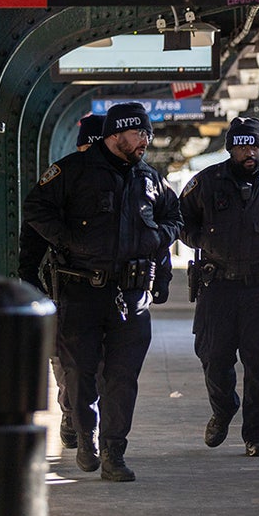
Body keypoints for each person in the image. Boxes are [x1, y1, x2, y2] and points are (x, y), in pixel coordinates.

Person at [22, 102, 182, 482]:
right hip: (81, 292)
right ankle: (86, 437)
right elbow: (35, 208)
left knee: (123, 377)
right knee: (80, 373)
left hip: (131, 297)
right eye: (139, 133)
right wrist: (69, 240)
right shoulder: (71, 172)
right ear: (115, 135)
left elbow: (174, 218)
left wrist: (159, 238)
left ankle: (114, 451)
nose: (146, 140)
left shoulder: (150, 179)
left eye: (148, 133)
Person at [178, 117, 259, 457]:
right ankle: (223, 408)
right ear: (231, 148)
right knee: (214, 357)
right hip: (219, 287)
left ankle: (256, 436)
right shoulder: (206, 183)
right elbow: (181, 220)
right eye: (243, 146)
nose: (250, 152)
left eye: (255, 146)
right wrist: (202, 240)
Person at [18, 113, 105, 450]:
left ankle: (80, 415)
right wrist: (29, 275)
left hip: (103, 288)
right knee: (66, 358)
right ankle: (72, 412)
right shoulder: (62, 177)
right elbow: (34, 227)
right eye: (87, 145)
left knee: (97, 362)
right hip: (63, 284)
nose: (91, 152)